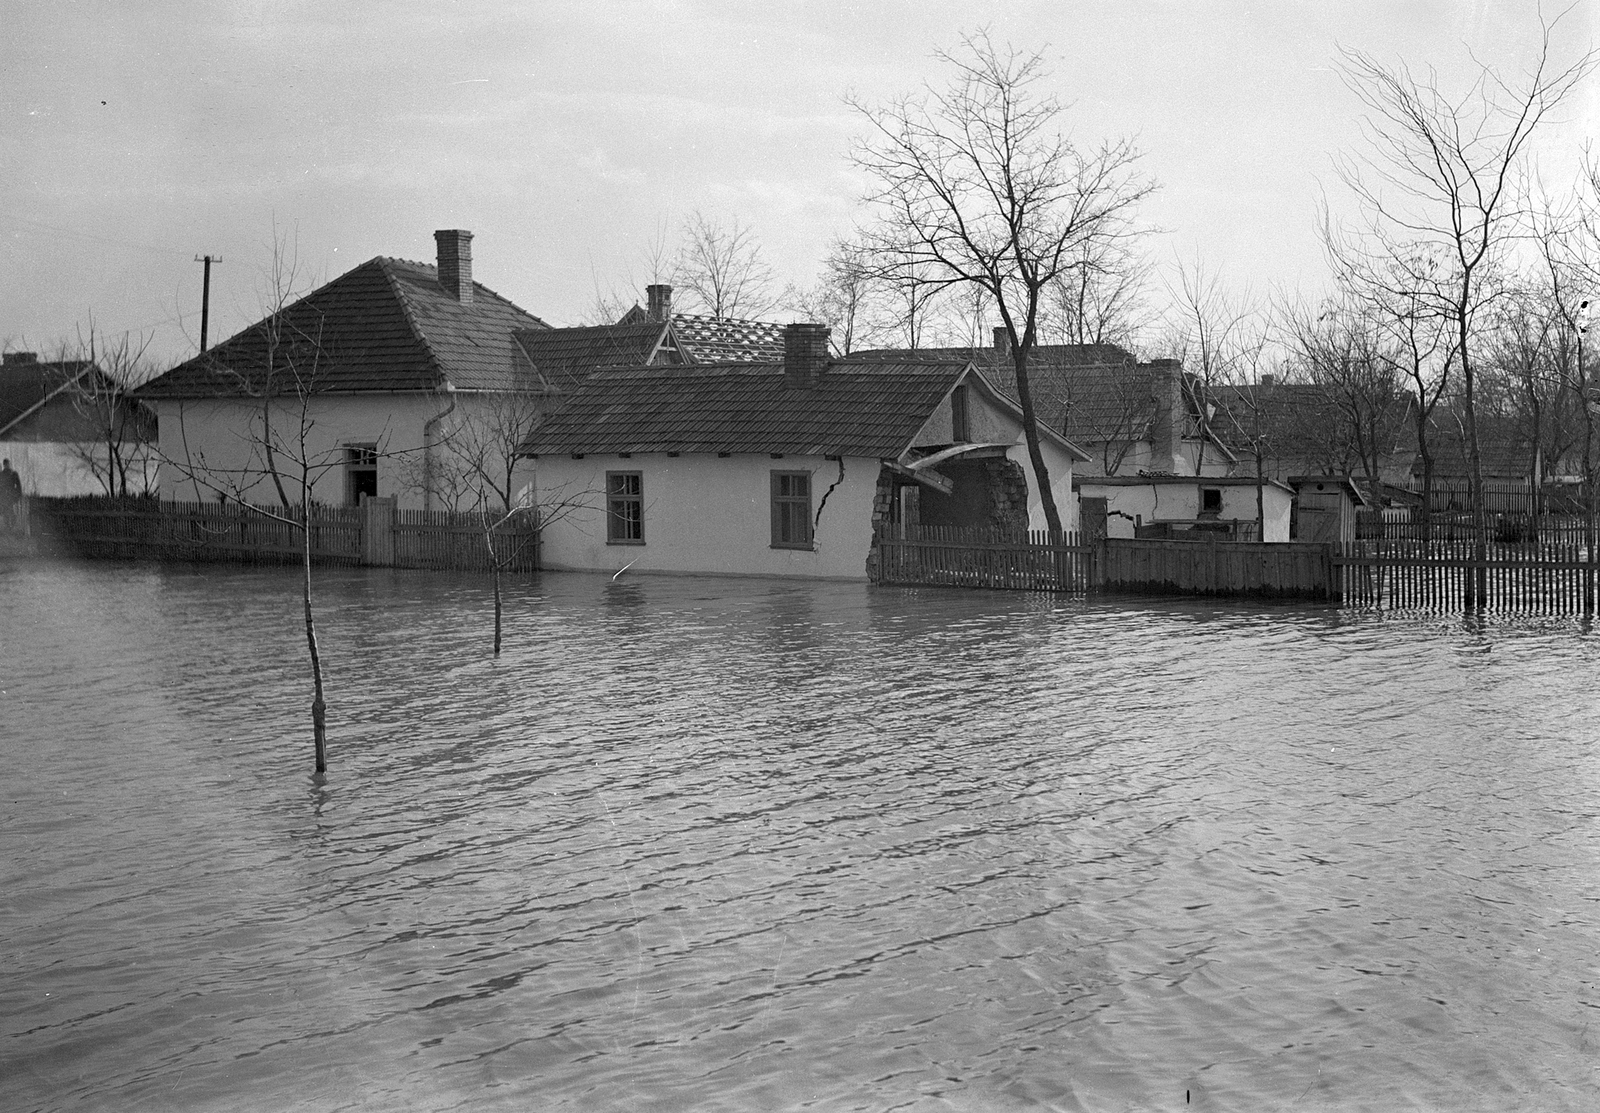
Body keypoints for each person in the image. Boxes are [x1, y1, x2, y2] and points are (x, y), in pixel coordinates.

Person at [0, 458, 22, 532]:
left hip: (12, 496)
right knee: (5, 512)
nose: (6, 465)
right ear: (4, 465)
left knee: (12, 512)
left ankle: (11, 527)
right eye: (5, 464)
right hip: (3, 497)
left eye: (7, 464)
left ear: (9, 464)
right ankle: (8, 528)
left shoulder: (13, 473)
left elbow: (18, 486)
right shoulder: (1, 475)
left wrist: (18, 495)